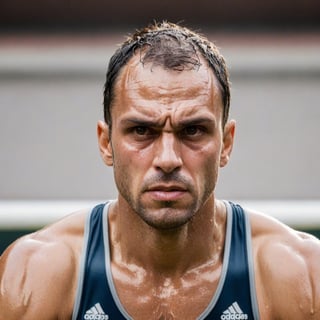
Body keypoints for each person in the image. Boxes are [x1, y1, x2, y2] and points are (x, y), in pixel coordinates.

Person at [0, 21, 319, 320]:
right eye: (142, 130)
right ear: (106, 142)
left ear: (226, 144)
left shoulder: (300, 274)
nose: (168, 159)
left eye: (193, 130)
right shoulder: (34, 275)